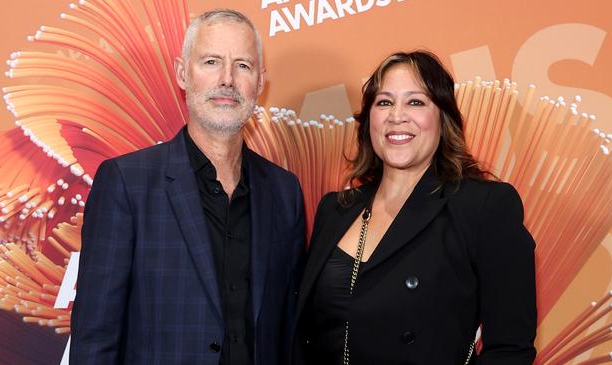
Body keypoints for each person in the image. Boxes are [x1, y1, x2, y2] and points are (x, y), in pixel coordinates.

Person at [70, 9, 305, 365]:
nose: (227, 79)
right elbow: (95, 339)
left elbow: (289, 335)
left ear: (260, 82)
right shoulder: (126, 183)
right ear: (183, 73)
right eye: (211, 61)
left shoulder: (285, 193)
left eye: (243, 65)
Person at [292, 51, 537, 364]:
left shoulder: (484, 207)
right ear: (369, 120)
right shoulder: (336, 209)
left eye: (415, 102)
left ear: (443, 118)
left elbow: (510, 350)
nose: (397, 116)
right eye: (384, 102)